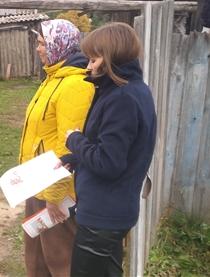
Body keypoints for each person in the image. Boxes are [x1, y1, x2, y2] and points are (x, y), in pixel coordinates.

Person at [59, 22, 157, 276]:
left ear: (111, 58)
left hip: (103, 215)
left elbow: (108, 163)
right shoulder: (129, 89)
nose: (88, 65)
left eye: (94, 59)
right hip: (114, 210)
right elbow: (115, 147)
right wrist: (76, 157)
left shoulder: (121, 98)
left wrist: (75, 140)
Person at [18, 19, 94, 277]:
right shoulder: (52, 78)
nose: (38, 49)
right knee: (37, 256)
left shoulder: (75, 85)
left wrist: (54, 195)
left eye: (42, 43)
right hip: (37, 180)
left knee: (61, 259)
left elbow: (70, 145)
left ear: (59, 46)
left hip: (55, 188)